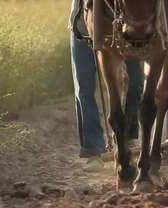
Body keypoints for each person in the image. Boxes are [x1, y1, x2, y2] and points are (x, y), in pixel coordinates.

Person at [69, 0, 144, 172]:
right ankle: (94, 152)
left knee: (135, 81)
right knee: (84, 87)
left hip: (125, 26)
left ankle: (130, 135)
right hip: (82, 25)